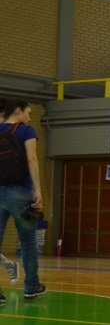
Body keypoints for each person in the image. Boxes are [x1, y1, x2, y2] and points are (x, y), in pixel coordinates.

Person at [0, 98, 45, 301]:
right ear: (18, 111)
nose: (29, 118)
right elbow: (32, 159)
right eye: (28, 113)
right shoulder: (26, 130)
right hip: (21, 193)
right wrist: (38, 190)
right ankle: (31, 286)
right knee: (28, 242)